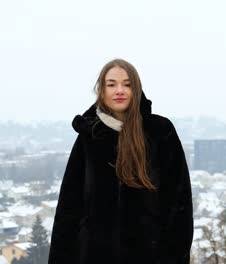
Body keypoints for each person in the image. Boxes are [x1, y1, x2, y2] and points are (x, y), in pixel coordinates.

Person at [48, 58, 193, 264]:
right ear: (102, 90)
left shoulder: (160, 133)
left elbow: (179, 206)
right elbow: (68, 209)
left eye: (127, 84)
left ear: (137, 89)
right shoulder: (90, 137)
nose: (119, 90)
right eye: (111, 84)